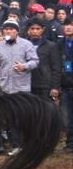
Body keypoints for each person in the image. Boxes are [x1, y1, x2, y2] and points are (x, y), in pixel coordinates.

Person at [0, 19, 39, 155]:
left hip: (21, 88)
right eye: (6, 29)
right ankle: (15, 146)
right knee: (9, 119)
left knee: (24, 118)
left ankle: (28, 145)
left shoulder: (26, 44)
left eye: (11, 29)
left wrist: (24, 66)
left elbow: (35, 61)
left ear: (17, 31)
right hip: (5, 88)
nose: (8, 31)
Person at [25, 18, 60, 100]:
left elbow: (56, 68)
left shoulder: (51, 46)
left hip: (44, 85)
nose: (35, 31)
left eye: (38, 29)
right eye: (32, 29)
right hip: (27, 84)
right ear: (28, 30)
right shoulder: (23, 45)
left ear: (43, 30)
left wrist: (55, 87)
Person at [58, 17, 73, 153]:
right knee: (67, 116)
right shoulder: (59, 44)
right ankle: (70, 143)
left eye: (71, 25)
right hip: (65, 85)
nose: (68, 27)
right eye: (66, 25)